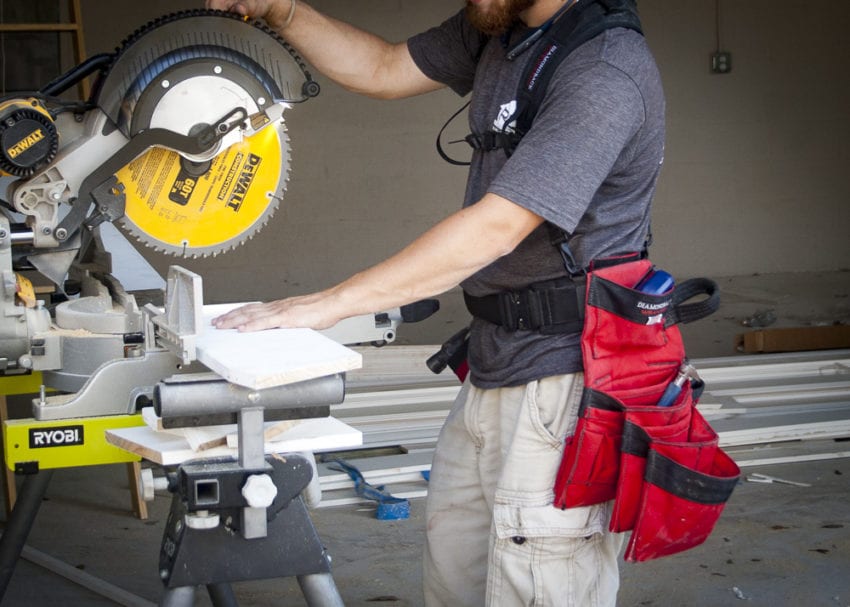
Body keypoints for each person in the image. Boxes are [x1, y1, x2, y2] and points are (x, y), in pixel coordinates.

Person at [206, 0, 665, 605]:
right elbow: (384, 68)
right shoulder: (500, 24)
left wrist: (331, 303)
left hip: (566, 379)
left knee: (541, 582)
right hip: (493, 360)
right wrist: (282, 10)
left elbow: (497, 228)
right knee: (454, 575)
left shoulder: (605, 70)